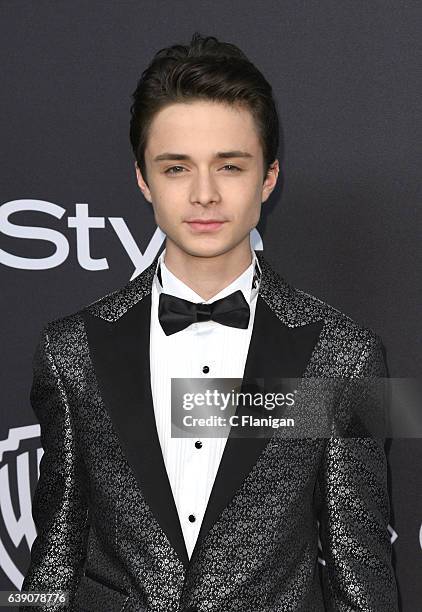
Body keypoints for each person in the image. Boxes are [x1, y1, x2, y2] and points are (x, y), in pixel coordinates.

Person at [21, 32, 399, 611]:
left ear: (268, 178)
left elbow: (360, 571)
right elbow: (53, 566)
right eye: (177, 168)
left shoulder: (343, 356)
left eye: (229, 166)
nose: (203, 194)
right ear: (144, 180)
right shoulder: (71, 350)